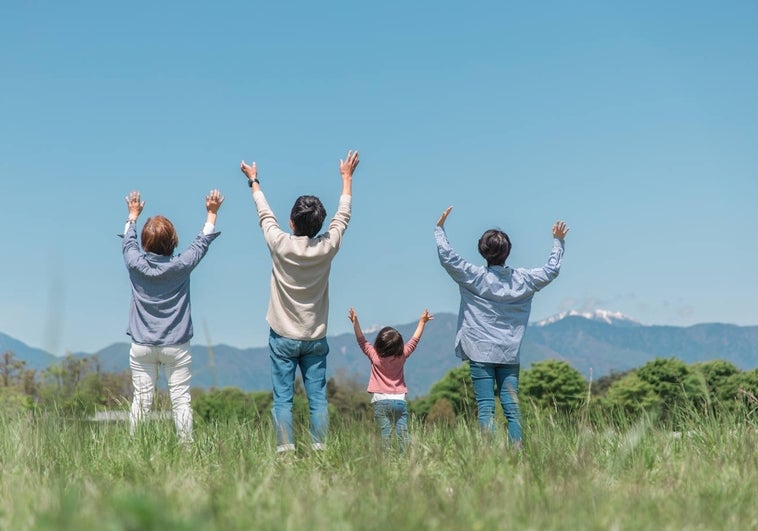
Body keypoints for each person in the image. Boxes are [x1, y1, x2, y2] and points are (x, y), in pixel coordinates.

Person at [240, 151, 360, 454]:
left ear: (291, 222)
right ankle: (319, 451)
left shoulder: (279, 243)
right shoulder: (327, 246)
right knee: (317, 397)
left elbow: (264, 214)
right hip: (315, 336)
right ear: (319, 224)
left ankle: (286, 452)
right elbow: (342, 217)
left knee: (283, 398)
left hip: (282, 335)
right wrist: (346, 178)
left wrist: (254, 181)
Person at [434, 206, 569, 449]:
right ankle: (516, 453)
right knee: (512, 405)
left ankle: (488, 455)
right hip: (509, 352)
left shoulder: (473, 277)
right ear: (508, 252)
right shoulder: (523, 280)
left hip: (479, 351)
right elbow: (551, 271)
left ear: (482, 251)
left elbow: (448, 258)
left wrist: (440, 229)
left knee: (485, 406)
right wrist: (557, 242)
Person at [122, 189, 224, 444]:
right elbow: (202, 241)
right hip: (176, 345)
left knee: (141, 401)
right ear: (174, 242)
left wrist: (133, 216)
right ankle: (186, 449)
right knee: (180, 400)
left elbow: (128, 242)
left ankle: (134, 449)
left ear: (145, 243)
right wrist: (211, 213)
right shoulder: (181, 265)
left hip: (142, 344)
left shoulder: (134, 262)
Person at [348, 308, 433, 450]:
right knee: (403, 434)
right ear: (399, 345)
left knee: (385, 435)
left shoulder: (375, 357)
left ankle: (386, 463)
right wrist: (422, 322)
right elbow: (414, 341)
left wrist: (355, 322)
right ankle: (405, 460)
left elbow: (362, 341)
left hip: (380, 401)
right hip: (400, 400)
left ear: (379, 344)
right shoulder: (402, 355)